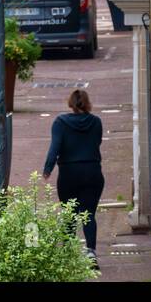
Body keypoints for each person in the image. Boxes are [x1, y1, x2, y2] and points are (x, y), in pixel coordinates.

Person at [42, 89, 105, 268]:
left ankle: (68, 254)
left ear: (70, 103)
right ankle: (91, 253)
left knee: (69, 214)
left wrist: (47, 169)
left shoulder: (60, 123)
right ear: (87, 103)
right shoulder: (96, 122)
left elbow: (54, 148)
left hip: (69, 173)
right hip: (93, 171)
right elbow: (97, 142)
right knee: (89, 214)